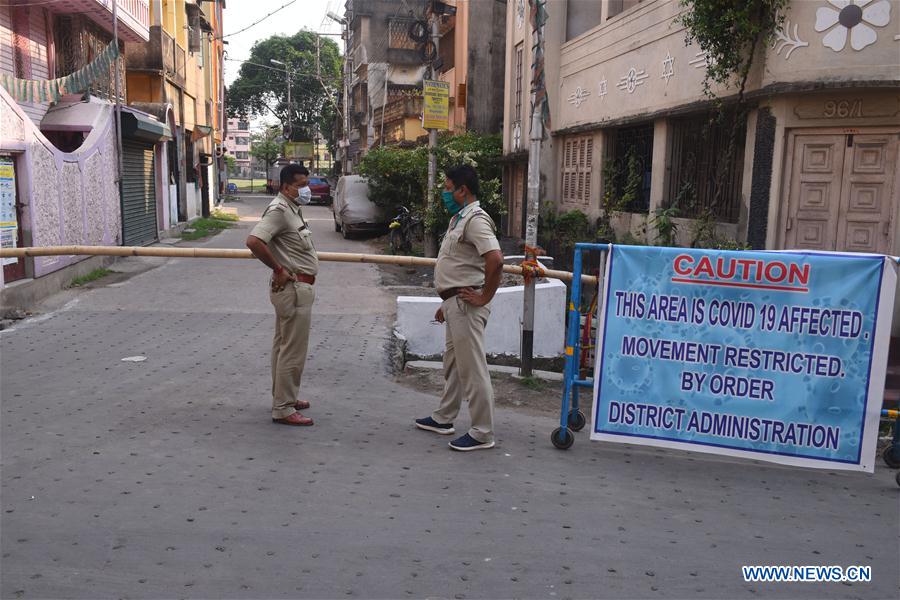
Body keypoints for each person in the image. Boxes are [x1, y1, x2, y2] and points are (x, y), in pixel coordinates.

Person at [415, 165, 504, 451]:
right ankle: (444, 417)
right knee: (453, 364)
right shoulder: (459, 219)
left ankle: (482, 432)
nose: (445, 193)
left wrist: (484, 296)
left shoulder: (476, 220)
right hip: (455, 303)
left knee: (472, 368)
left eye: (447, 187)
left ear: (462, 190)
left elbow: (495, 259)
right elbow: (460, 265)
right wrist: (447, 301)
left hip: (466, 305)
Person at [246, 164, 318, 426]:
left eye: (307, 184)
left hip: (297, 289)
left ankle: (284, 397)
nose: (306, 190)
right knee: (292, 350)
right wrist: (278, 269)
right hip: (293, 289)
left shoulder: (292, 209)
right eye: (301, 186)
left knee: (283, 346)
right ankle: (284, 408)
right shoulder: (279, 210)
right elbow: (254, 241)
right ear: (286, 187)